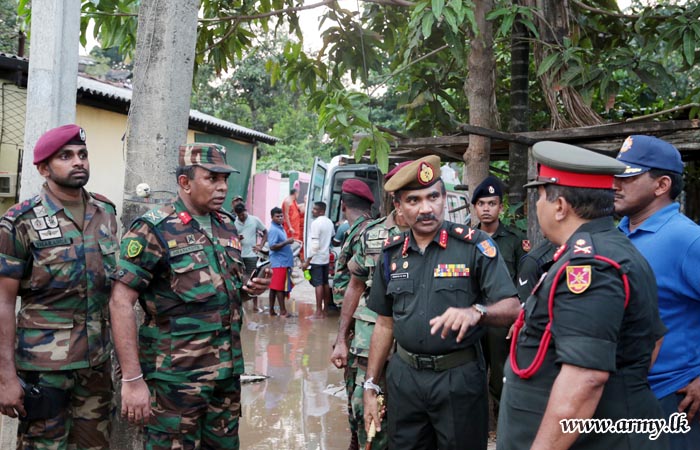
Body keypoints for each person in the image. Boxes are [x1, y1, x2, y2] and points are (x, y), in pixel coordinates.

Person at [498, 141, 669, 450]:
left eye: (539, 198)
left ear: (561, 206)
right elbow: (651, 340)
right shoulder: (608, 248)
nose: (537, 207)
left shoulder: (590, 266)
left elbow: (586, 378)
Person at [109, 143, 270, 450]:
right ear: (185, 182)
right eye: (212, 178)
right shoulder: (153, 229)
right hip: (175, 382)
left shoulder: (225, 226)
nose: (222, 186)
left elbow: (219, 293)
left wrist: (247, 291)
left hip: (225, 375)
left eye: (224, 178)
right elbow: (120, 303)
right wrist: (132, 380)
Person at [363, 155, 520, 450]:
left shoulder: (475, 246)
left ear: (444, 198)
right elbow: (385, 323)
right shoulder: (391, 254)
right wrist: (371, 384)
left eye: (433, 197)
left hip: (458, 379)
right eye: (414, 200)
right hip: (404, 379)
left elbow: (512, 307)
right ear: (398, 206)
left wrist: (478, 312)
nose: (426, 208)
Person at [0, 124, 118, 449]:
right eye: (65, 156)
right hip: (44, 370)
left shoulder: (106, 213)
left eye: (82, 154)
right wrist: (6, 378)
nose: (78, 161)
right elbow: (3, 304)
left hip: (96, 366)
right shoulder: (20, 222)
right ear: (43, 168)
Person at [613, 135, 700, 450]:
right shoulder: (616, 235)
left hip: (671, 400)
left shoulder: (687, 240)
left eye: (628, 176)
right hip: (621, 396)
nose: (615, 184)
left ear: (661, 185)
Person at [330, 162, 410, 450]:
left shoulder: (436, 238)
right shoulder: (371, 234)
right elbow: (354, 284)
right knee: (367, 410)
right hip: (368, 338)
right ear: (392, 198)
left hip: (416, 345)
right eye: (404, 195)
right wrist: (341, 338)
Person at [471, 174, 529, 412]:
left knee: (501, 372)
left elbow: (525, 282)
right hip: (473, 317)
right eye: (482, 204)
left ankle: (503, 420)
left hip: (502, 320)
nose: (486, 209)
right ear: (475, 207)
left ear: (500, 207)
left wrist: (520, 318)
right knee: (472, 371)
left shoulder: (515, 241)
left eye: (492, 203)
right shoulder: (467, 240)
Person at [332, 178, 375, 447]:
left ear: (343, 205)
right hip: (358, 327)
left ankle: (359, 441)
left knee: (359, 392)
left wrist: (342, 336)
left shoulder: (362, 235)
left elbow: (355, 287)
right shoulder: (363, 231)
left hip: (362, 330)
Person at [302, 201, 334, 319]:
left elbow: (314, 246)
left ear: (321, 211)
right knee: (325, 283)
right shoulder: (329, 222)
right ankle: (325, 310)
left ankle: (318, 312)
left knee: (318, 284)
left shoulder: (316, 223)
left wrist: (307, 261)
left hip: (316, 259)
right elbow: (332, 237)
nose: (312, 211)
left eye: (315, 209)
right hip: (325, 257)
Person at [234, 203, 268, 313]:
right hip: (239, 255)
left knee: (253, 280)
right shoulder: (234, 222)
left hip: (252, 255)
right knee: (239, 279)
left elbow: (265, 232)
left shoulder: (254, 220)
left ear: (246, 210)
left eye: (243, 214)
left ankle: (255, 306)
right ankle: (241, 304)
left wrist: (261, 246)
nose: (242, 217)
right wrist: (236, 238)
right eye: (240, 215)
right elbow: (230, 238)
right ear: (236, 214)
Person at [268, 206, 296, 317]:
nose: (280, 218)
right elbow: (272, 246)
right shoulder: (274, 230)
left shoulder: (280, 227)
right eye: (277, 216)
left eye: (281, 216)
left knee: (274, 287)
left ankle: (271, 310)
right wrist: (287, 242)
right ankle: (283, 311)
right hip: (279, 262)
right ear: (272, 217)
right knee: (280, 288)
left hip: (282, 262)